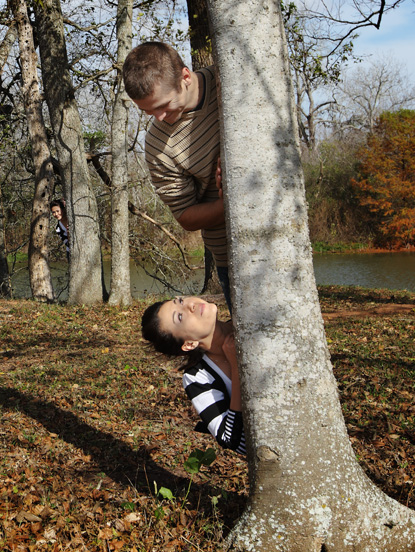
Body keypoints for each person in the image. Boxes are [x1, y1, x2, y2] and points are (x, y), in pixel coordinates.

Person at [123, 42, 231, 308]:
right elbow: (186, 216)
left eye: (163, 105)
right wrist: (230, 202)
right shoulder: (158, 145)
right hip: (232, 254)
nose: (158, 118)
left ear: (185, 77)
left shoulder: (229, 78)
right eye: (147, 111)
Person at [141, 295, 245, 454]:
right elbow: (229, 439)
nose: (190, 305)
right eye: (180, 317)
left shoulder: (250, 316)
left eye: (180, 301)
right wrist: (238, 369)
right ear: (189, 344)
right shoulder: (198, 376)